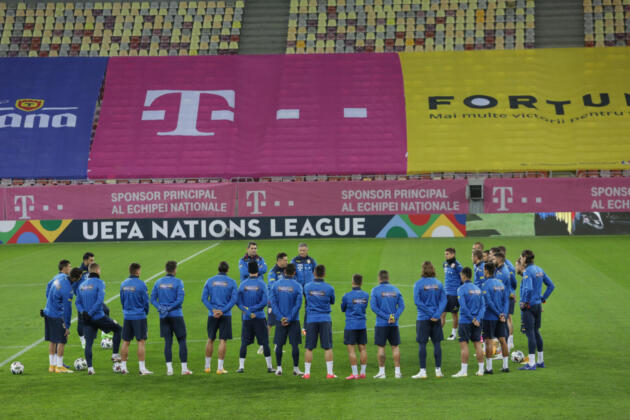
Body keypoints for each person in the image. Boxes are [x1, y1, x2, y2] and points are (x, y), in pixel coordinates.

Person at [76, 263, 123, 375]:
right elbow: (99, 300)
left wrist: (84, 312)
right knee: (118, 329)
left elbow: (77, 302)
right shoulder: (100, 283)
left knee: (88, 343)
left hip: (87, 320)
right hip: (99, 317)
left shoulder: (81, 285)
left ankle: (90, 369)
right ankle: (115, 355)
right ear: (97, 271)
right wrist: (91, 313)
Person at [151, 260, 192, 376]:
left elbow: (152, 299)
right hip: (176, 315)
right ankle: (184, 369)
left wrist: (161, 308)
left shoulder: (158, 282)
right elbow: (180, 300)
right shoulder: (178, 282)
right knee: (182, 340)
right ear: (175, 270)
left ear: (165, 269)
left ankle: (169, 370)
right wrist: (169, 308)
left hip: (163, 316)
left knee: (168, 342)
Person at [517, 250, 555, 371]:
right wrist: (543, 299)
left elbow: (528, 289)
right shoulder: (539, 269)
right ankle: (540, 361)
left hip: (529, 306)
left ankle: (531, 364)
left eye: (521, 257)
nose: (520, 259)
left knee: (530, 333)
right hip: (538, 305)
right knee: (536, 331)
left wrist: (525, 302)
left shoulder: (528, 271)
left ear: (524, 258)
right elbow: (551, 286)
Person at [236, 261, 275, 373]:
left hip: (247, 318)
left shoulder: (243, 284)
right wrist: (253, 310)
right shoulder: (262, 284)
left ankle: (241, 367)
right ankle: (269, 367)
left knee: (244, 342)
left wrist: (248, 312)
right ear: (258, 270)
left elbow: (238, 302)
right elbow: (264, 302)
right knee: (265, 342)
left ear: (248, 270)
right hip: (259, 317)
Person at [412, 261, 447, 379]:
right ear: (433, 269)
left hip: (423, 318)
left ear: (423, 270)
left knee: (422, 344)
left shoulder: (418, 284)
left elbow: (417, 301)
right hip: (436, 319)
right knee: (437, 343)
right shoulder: (439, 283)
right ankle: (438, 371)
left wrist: (429, 313)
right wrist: (436, 314)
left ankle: (423, 371)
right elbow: (444, 300)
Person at [201, 261, 238, 374]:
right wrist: (223, 311)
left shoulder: (210, 281)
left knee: (210, 339)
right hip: (225, 315)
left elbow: (204, 298)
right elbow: (234, 300)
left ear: (218, 269)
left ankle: (207, 367)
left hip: (212, 315)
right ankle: (220, 368)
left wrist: (213, 310)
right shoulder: (232, 282)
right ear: (228, 270)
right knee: (223, 341)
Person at [269, 263, 303, 376]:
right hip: (294, 320)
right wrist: (290, 318)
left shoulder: (275, 285)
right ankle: (296, 369)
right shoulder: (298, 286)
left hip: (280, 320)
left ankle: (279, 368)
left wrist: (281, 317)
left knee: (279, 344)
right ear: (294, 273)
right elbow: (298, 305)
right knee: (294, 345)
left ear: (284, 272)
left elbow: (273, 303)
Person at [370, 270, 405, 379]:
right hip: (393, 324)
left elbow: (374, 307)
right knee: (395, 347)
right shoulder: (396, 289)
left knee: (381, 347)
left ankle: (382, 373)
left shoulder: (375, 290)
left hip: (381, 324)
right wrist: (394, 317)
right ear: (388, 278)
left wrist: (386, 317)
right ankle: (397, 372)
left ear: (379, 278)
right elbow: (402, 306)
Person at [303, 264, 336, 379]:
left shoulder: (307, 287)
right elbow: (332, 301)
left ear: (314, 273)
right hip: (325, 319)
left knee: (309, 347)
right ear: (324, 274)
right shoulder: (329, 288)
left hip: (311, 318)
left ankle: (307, 373)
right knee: (328, 347)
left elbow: (307, 299)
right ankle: (330, 373)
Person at [452, 267, 486, 377]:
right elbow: (483, 306)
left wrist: (472, 319)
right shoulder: (478, 289)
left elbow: (463, 306)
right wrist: (478, 319)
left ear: (463, 275)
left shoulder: (461, 289)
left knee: (464, 345)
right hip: (477, 322)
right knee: (478, 344)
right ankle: (481, 370)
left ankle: (464, 371)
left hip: (465, 321)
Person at [42, 260, 74, 373]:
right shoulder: (65, 282)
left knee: (52, 340)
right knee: (62, 339)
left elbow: (48, 288)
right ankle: (59, 366)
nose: (70, 269)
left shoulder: (55, 277)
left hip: (48, 312)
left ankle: (52, 365)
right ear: (64, 268)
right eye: (69, 267)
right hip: (57, 314)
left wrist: (51, 301)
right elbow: (68, 308)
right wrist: (67, 325)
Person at [119, 262, 152, 375]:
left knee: (126, 341)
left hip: (127, 316)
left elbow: (122, 300)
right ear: (137, 271)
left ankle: (123, 367)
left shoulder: (123, 284)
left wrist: (126, 310)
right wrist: (145, 312)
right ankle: (142, 369)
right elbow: (146, 301)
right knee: (141, 341)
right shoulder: (141, 284)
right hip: (139, 316)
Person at [481, 262, 510, 374]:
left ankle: (489, 368)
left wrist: (498, 314)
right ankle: (505, 366)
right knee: (503, 340)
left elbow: (488, 302)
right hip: (501, 317)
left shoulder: (485, 284)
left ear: (486, 271)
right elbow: (506, 301)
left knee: (488, 341)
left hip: (489, 317)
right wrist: (504, 314)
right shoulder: (501, 284)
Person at [341, 274, 369, 380]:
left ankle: (355, 374)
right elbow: (364, 307)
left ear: (352, 282)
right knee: (363, 349)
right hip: (362, 325)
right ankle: (363, 373)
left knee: (351, 350)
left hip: (351, 325)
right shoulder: (366, 295)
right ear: (361, 283)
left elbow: (342, 308)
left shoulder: (347, 296)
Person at [263, 252, 288, 354]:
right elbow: (272, 285)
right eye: (285, 260)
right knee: (270, 324)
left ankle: (277, 346)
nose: (287, 262)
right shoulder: (273, 272)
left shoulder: (285, 270)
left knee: (280, 323)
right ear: (279, 261)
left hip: (282, 301)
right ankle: (263, 345)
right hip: (273, 301)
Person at [493, 251, 517, 350]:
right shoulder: (498, 269)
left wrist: (510, 292)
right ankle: (503, 348)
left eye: (494, 259)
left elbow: (500, 288)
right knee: (501, 326)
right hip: (501, 301)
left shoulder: (504, 272)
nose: (492, 260)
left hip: (503, 302)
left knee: (504, 325)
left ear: (499, 259)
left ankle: (505, 349)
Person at [292, 243, 317, 335]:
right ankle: (293, 326)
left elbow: (316, 272)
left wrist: (314, 283)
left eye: (304, 250)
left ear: (307, 250)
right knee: (295, 306)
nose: (302, 252)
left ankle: (306, 327)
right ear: (298, 250)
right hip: (298, 287)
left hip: (308, 288)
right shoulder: (294, 260)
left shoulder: (312, 261)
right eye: (300, 250)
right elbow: (291, 273)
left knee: (309, 306)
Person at [73, 252, 94, 349]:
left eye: (93, 260)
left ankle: (104, 334)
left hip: (92, 299)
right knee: (81, 320)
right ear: (85, 260)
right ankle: (82, 339)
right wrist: (80, 295)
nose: (93, 262)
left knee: (102, 313)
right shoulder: (78, 271)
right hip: (82, 300)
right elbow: (74, 286)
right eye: (91, 260)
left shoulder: (92, 270)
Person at [442, 248, 463, 340]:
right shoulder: (445, 264)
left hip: (454, 294)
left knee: (454, 314)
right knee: (442, 313)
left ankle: (453, 334)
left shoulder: (458, 266)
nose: (445, 255)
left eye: (447, 254)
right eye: (445, 254)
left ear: (453, 254)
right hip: (445, 293)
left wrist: (459, 290)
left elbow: (462, 279)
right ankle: (437, 333)